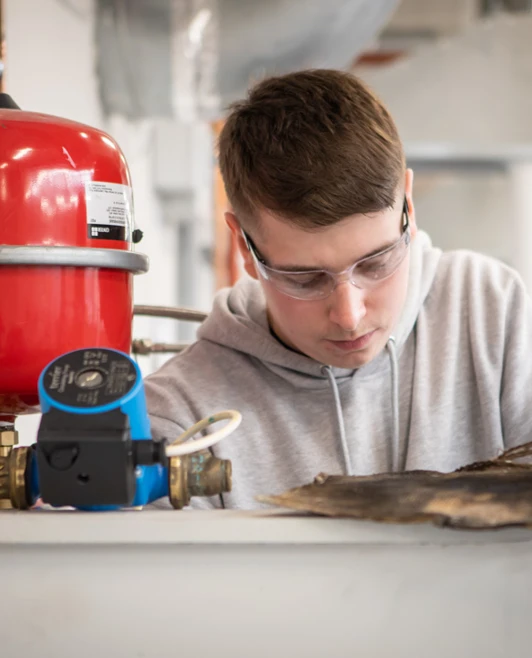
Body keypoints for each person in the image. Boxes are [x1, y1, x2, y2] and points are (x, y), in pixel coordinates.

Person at [144, 68, 532, 510]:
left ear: (407, 204)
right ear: (244, 247)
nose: (349, 315)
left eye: (376, 262)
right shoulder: (180, 418)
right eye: (306, 279)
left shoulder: (492, 311)